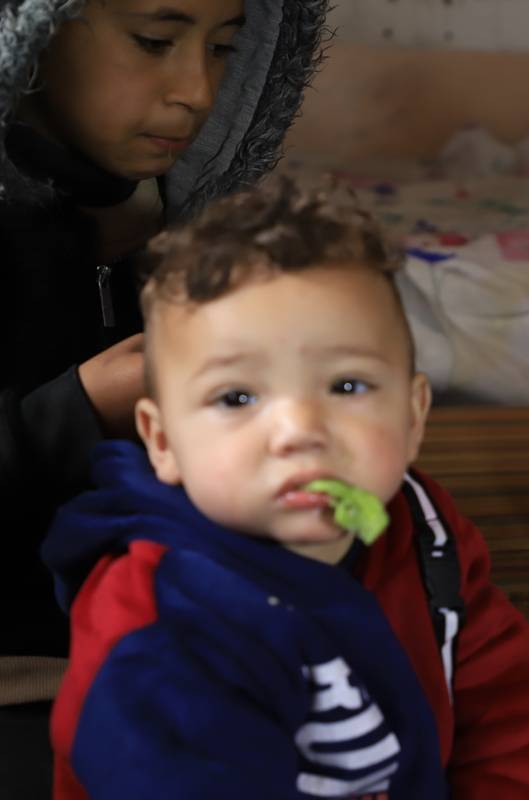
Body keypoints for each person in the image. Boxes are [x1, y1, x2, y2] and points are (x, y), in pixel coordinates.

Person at [40, 177, 529, 798]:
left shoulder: (424, 528)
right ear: (163, 442)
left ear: (413, 414)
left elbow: (502, 707)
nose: (298, 431)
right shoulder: (159, 629)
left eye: (346, 386)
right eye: (236, 396)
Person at [0, 1, 327, 793]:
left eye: (224, 49)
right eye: (154, 41)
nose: (197, 90)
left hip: (189, 658)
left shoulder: (192, 243)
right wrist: (75, 410)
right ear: (29, 32)